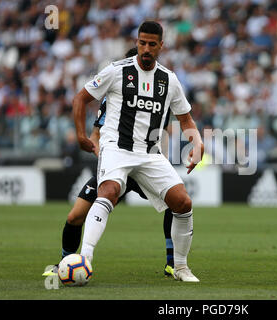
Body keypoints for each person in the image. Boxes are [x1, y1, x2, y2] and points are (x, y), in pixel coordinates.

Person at [73, 21, 204, 282]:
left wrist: (197, 142)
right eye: (142, 43)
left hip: (149, 154)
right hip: (116, 148)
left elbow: (186, 119)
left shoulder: (169, 79)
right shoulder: (116, 71)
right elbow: (81, 98)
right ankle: (84, 259)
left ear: (161, 46)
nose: (146, 48)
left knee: (183, 202)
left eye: (151, 44)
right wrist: (80, 135)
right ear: (136, 42)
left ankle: (180, 268)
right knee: (108, 191)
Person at [42, 48, 176, 278]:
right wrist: (103, 153)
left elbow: (163, 136)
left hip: (144, 166)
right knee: (75, 216)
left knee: (176, 203)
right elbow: (96, 134)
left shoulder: (160, 98)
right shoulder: (112, 99)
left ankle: (172, 263)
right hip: (116, 165)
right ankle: (66, 263)